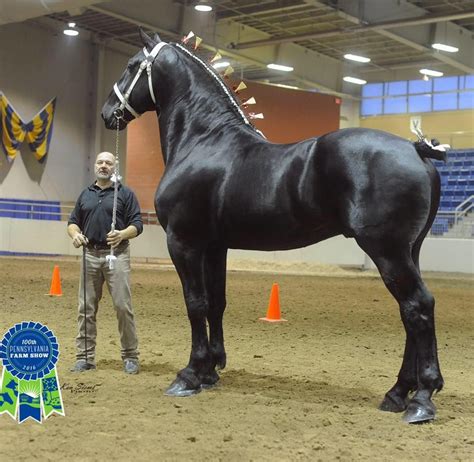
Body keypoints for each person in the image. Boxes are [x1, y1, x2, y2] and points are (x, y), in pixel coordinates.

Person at [67, 151, 143, 374]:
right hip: (89, 255)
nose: (103, 166)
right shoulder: (85, 195)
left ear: (114, 167)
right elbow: (73, 223)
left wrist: (122, 234)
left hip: (116, 255)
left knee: (122, 306)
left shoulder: (125, 194)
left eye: (108, 163)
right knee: (86, 308)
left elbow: (137, 224)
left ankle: (130, 356)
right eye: (100, 162)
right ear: (95, 165)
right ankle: (85, 357)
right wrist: (75, 235)